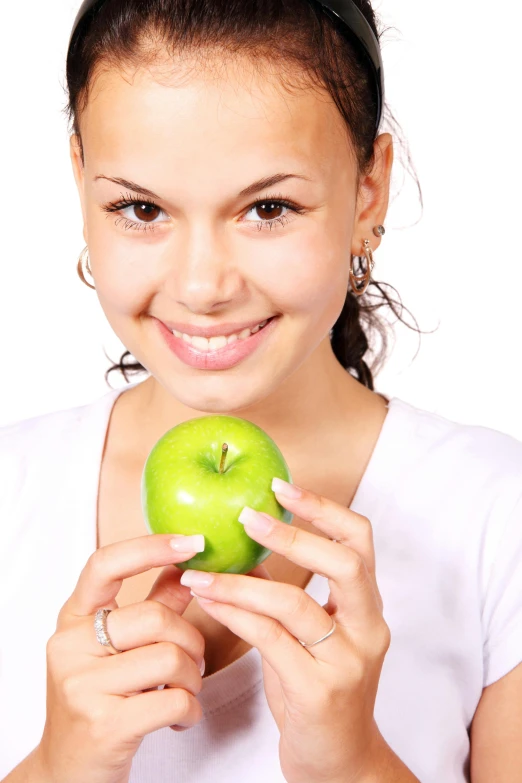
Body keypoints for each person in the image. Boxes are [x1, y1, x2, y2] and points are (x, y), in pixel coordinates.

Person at [1, 0, 522, 780]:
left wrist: (353, 761)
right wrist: (57, 766)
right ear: (81, 183)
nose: (204, 285)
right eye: (140, 209)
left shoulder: (494, 514)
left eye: (268, 208)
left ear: (368, 190)